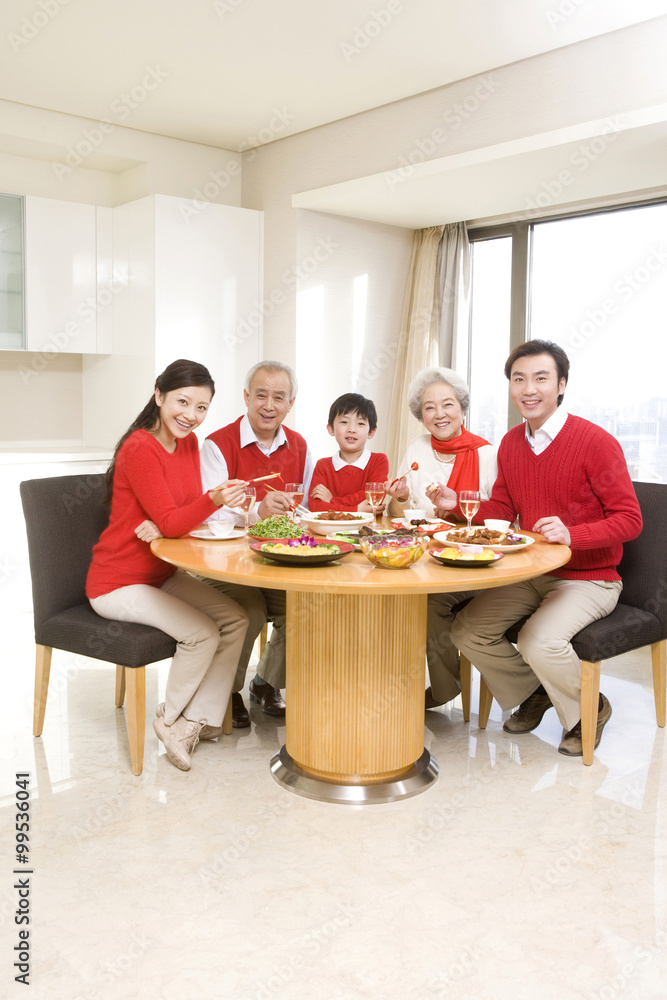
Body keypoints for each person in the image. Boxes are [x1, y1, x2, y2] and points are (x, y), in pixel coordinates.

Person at [444, 340, 642, 756]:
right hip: (533, 571)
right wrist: (462, 507)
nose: (528, 389)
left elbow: (630, 520)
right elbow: (502, 507)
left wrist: (573, 534)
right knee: (467, 629)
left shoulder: (595, 442)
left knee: (538, 640)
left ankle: (589, 711)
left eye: (541, 378)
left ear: (562, 384)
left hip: (591, 578)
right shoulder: (512, 443)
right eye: (519, 379)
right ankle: (537, 690)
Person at [86, 359, 262, 772]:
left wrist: (170, 522)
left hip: (160, 571)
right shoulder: (139, 447)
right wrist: (200, 506)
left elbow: (180, 516)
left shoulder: (188, 444)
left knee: (236, 618)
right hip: (117, 583)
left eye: (202, 407)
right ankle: (170, 721)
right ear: (159, 395)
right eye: (183, 402)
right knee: (201, 633)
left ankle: (195, 720)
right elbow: (175, 518)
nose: (191, 415)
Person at [199, 360, 314, 726]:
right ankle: (226, 691)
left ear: (290, 403)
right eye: (261, 395)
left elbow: (306, 506)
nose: (269, 405)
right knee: (247, 611)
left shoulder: (299, 445)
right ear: (246, 397)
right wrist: (256, 511)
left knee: (309, 606)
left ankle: (266, 682)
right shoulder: (217, 445)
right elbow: (209, 515)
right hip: (225, 564)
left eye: (278, 397)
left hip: (278, 561)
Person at [385, 367, 497, 710]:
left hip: (471, 562)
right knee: (389, 597)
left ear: (462, 408)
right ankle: (393, 684)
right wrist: (401, 496)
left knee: (429, 603)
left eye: (447, 404)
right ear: (421, 415)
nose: (439, 414)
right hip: (423, 556)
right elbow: (395, 512)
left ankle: (443, 687)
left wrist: (460, 503)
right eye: (429, 408)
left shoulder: (486, 453)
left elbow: (503, 516)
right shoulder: (417, 447)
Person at [309, 392, 388, 511]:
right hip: (329, 530)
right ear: (331, 429)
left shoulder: (378, 461)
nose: (351, 429)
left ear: (371, 432)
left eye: (360, 423)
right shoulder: (323, 465)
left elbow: (375, 498)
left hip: (369, 529)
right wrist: (357, 510)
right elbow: (315, 507)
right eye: (344, 422)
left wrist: (332, 500)